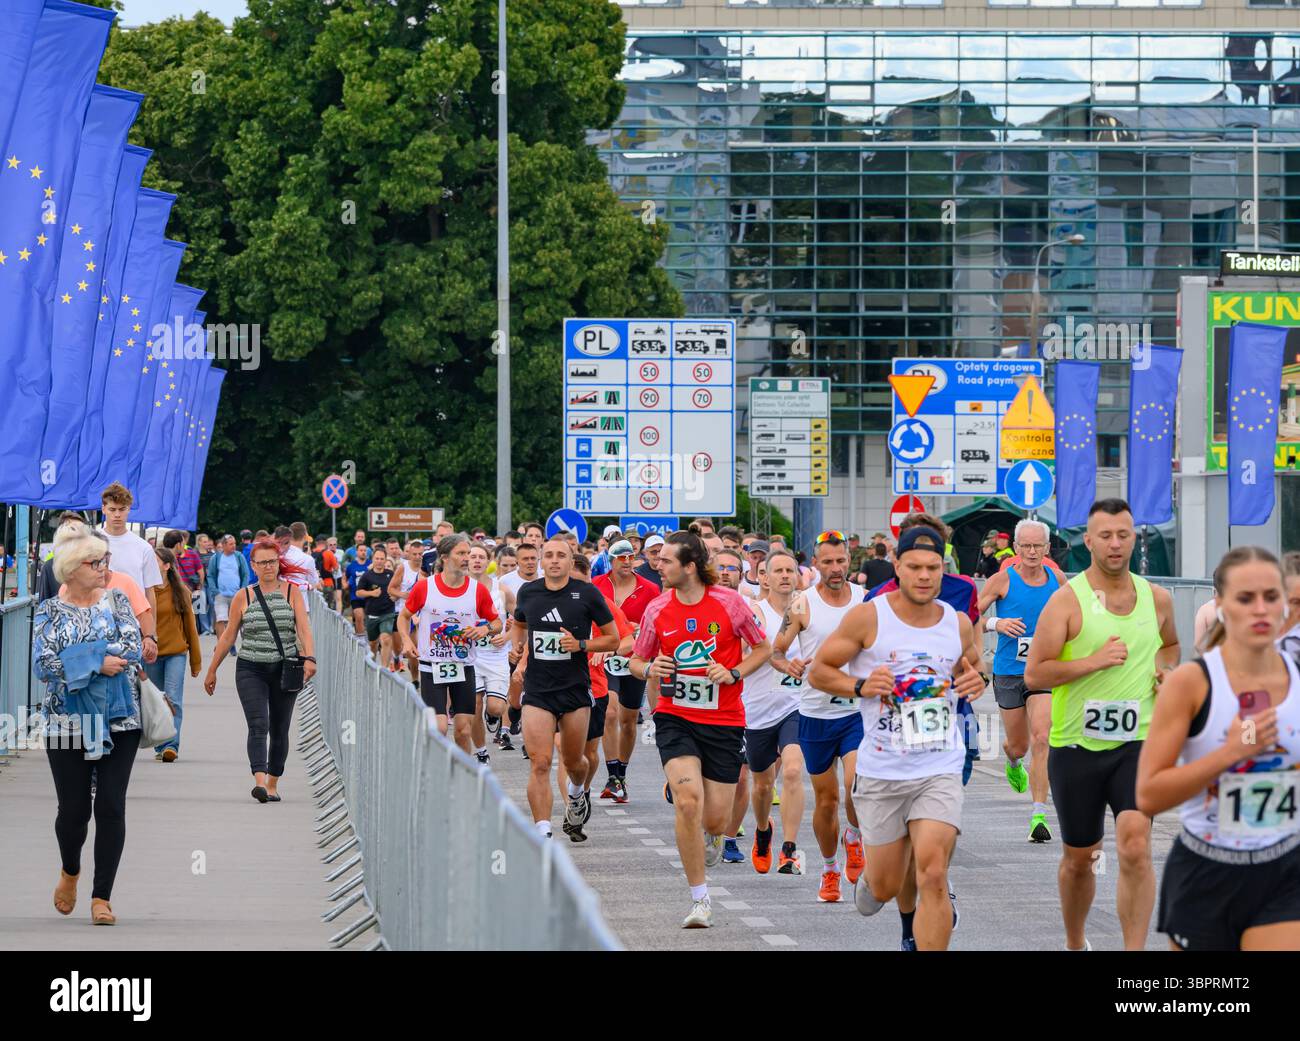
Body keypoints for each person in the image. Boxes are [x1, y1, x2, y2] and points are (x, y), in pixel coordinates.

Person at [810, 524, 988, 952]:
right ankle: (876, 879)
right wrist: (860, 685)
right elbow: (820, 670)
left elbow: (973, 665)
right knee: (887, 885)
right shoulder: (870, 616)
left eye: (933, 568)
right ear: (897, 567)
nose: (925, 576)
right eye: (915, 567)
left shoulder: (957, 623)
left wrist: (976, 680)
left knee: (933, 873)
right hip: (883, 770)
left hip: (938, 765)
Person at [1025, 497, 1180, 951]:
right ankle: (1075, 941)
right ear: (1087, 541)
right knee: (1082, 859)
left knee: (1135, 845)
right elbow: (1036, 673)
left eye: (1124, 534)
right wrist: (1092, 662)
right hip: (1076, 747)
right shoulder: (1066, 601)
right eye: (1106, 536)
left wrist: (1166, 671)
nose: (1116, 544)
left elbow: (1170, 646)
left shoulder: (1158, 598)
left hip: (1139, 743)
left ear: (1135, 537)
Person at [1138, 546, 1300, 951]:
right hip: (1206, 871)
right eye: (1245, 599)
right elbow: (1149, 794)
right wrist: (1229, 753)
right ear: (1221, 604)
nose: (1260, 609)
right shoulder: (1192, 683)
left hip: (1284, 870)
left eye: (1271, 597)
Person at [628, 531, 771, 928]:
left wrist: (734, 671)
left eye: (668, 561)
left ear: (690, 566)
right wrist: (649, 668)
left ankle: (710, 836)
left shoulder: (729, 603)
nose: (659, 565)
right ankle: (700, 899)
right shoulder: (657, 609)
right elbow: (636, 661)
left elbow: (763, 648)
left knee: (716, 819)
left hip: (724, 719)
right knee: (688, 799)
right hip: (676, 716)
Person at [33, 529, 144, 926]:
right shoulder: (48, 611)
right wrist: (96, 661)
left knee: (111, 805)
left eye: (105, 562)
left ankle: (102, 897)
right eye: (95, 563)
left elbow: (130, 648)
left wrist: (75, 660)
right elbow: (43, 666)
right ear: (70, 569)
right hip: (66, 721)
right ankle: (70, 871)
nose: (103, 569)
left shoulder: (117, 600)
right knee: (75, 810)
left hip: (119, 719)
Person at [772, 531, 864, 903]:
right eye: (828, 562)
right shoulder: (800, 605)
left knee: (858, 786)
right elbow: (776, 651)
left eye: (841, 561)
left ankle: (855, 836)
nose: (836, 568)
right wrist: (788, 663)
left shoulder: (865, 601)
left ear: (849, 561)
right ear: (816, 564)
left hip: (858, 711)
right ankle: (829, 869)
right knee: (826, 801)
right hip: (815, 714)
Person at [510, 538, 619, 841]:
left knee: (575, 762)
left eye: (562, 556)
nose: (555, 560)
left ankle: (576, 793)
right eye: (549, 556)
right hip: (538, 691)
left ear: (572, 562)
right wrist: (518, 644)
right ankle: (542, 832)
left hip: (574, 689)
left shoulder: (586, 594)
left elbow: (613, 639)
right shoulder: (529, 592)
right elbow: (519, 622)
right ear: (541, 562)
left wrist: (581, 644)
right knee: (541, 762)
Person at [203, 538, 317, 803]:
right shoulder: (244, 596)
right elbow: (229, 636)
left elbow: (303, 628)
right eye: (263, 562)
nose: (268, 567)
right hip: (250, 668)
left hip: (285, 668)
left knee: (279, 728)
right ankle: (260, 781)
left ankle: (273, 782)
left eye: (273, 561)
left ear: (278, 563)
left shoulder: (292, 593)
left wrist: (310, 658)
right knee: (258, 724)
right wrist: (212, 669)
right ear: (253, 566)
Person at [976, 518, 1060, 842]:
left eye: (1037, 545)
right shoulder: (1002, 580)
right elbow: (972, 618)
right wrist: (997, 622)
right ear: (1016, 546)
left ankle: (1039, 814)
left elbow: (1075, 617)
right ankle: (1012, 760)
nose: (1031, 551)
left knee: (1042, 737)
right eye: (1025, 545)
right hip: (1010, 670)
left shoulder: (1057, 580)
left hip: (1043, 671)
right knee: (1020, 744)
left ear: (1047, 548)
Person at [399, 534, 501, 755]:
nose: (466, 558)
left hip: (463, 666)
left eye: (468, 553)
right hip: (431, 666)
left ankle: (463, 778)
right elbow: (404, 616)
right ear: (444, 557)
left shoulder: (477, 590)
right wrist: (407, 640)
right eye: (461, 553)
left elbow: (497, 623)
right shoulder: (425, 587)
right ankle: (439, 776)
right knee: (440, 727)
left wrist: (485, 629)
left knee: (463, 731)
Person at [745, 550, 807, 875]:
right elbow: (750, 653)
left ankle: (790, 849)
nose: (785, 575)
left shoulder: (806, 612)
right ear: (763, 578)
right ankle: (762, 830)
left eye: (790, 570)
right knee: (762, 786)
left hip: (794, 706)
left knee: (794, 770)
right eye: (777, 571)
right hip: (757, 709)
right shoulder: (754, 613)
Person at [562, 553, 635, 811]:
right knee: (566, 755)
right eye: (571, 583)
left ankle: (583, 789)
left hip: (594, 685)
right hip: (557, 685)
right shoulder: (548, 600)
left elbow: (628, 639)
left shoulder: (599, 602)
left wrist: (609, 649)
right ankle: (572, 805)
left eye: (582, 584)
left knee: (588, 755)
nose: (577, 591)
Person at [593, 538, 662, 803]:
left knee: (629, 720)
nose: (626, 562)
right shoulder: (597, 586)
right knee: (610, 711)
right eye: (620, 558)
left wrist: (638, 630)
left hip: (635, 657)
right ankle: (612, 774)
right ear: (609, 561)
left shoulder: (650, 588)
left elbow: (657, 623)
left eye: (630, 557)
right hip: (604, 656)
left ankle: (621, 772)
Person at [146, 547, 202, 763]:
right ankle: (161, 744)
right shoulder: (145, 591)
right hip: (152, 654)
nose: (151, 563)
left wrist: (195, 661)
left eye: (156, 560)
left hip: (176, 653)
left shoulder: (182, 591)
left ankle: (171, 745)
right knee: (157, 701)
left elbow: (191, 627)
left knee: (173, 699)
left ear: (167, 566)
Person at [469, 542, 518, 753]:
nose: (477, 561)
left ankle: (493, 716)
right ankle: (481, 751)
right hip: (470, 655)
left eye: (481, 557)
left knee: (496, 708)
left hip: (496, 655)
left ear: (488, 561)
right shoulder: (460, 588)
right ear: (466, 561)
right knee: (474, 706)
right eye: (473, 557)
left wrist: (507, 636)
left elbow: (521, 619)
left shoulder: (501, 590)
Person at [99, 482, 162, 623]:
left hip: (134, 624)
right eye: (112, 509)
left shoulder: (143, 547)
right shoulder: (89, 542)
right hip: (98, 624)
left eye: (122, 509)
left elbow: (149, 592)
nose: (117, 514)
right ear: (103, 509)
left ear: (129, 509)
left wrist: (151, 635)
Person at [206, 535, 251, 654]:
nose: (234, 546)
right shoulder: (216, 558)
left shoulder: (239, 556)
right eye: (231, 544)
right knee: (221, 620)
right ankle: (222, 646)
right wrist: (214, 590)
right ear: (224, 545)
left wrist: (242, 590)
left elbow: (246, 574)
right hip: (220, 595)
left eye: (235, 543)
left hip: (237, 595)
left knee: (240, 621)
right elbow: (210, 575)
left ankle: (244, 646)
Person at [355, 546, 397, 667]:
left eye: (382, 559)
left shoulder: (391, 574)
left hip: (387, 613)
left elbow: (397, 588)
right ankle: (373, 665)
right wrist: (371, 593)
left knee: (386, 639)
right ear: (372, 559)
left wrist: (396, 596)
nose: (379, 561)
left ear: (385, 560)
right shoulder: (367, 576)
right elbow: (358, 592)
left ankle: (384, 670)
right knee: (373, 643)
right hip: (372, 613)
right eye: (377, 558)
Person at [387, 540, 424, 680]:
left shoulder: (427, 568)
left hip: (422, 611)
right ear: (409, 553)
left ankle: (417, 676)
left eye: (420, 554)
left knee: (419, 647)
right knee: (412, 648)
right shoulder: (403, 568)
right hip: (406, 612)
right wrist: (405, 595)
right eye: (414, 554)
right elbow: (390, 588)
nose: (417, 557)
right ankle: (415, 678)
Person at [344, 543, 370, 640]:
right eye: (361, 550)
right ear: (357, 552)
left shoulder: (370, 564)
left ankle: (370, 639)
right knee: (359, 617)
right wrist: (345, 585)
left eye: (365, 550)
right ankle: (361, 640)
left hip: (369, 596)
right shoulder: (351, 566)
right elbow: (344, 578)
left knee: (369, 620)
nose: (363, 552)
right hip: (355, 596)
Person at [195, 533, 216, 634]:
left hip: (211, 583)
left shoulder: (212, 554)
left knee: (212, 604)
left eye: (207, 541)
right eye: (204, 541)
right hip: (200, 584)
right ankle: (205, 629)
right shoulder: (195, 554)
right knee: (201, 606)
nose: (206, 543)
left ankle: (212, 626)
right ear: (199, 542)